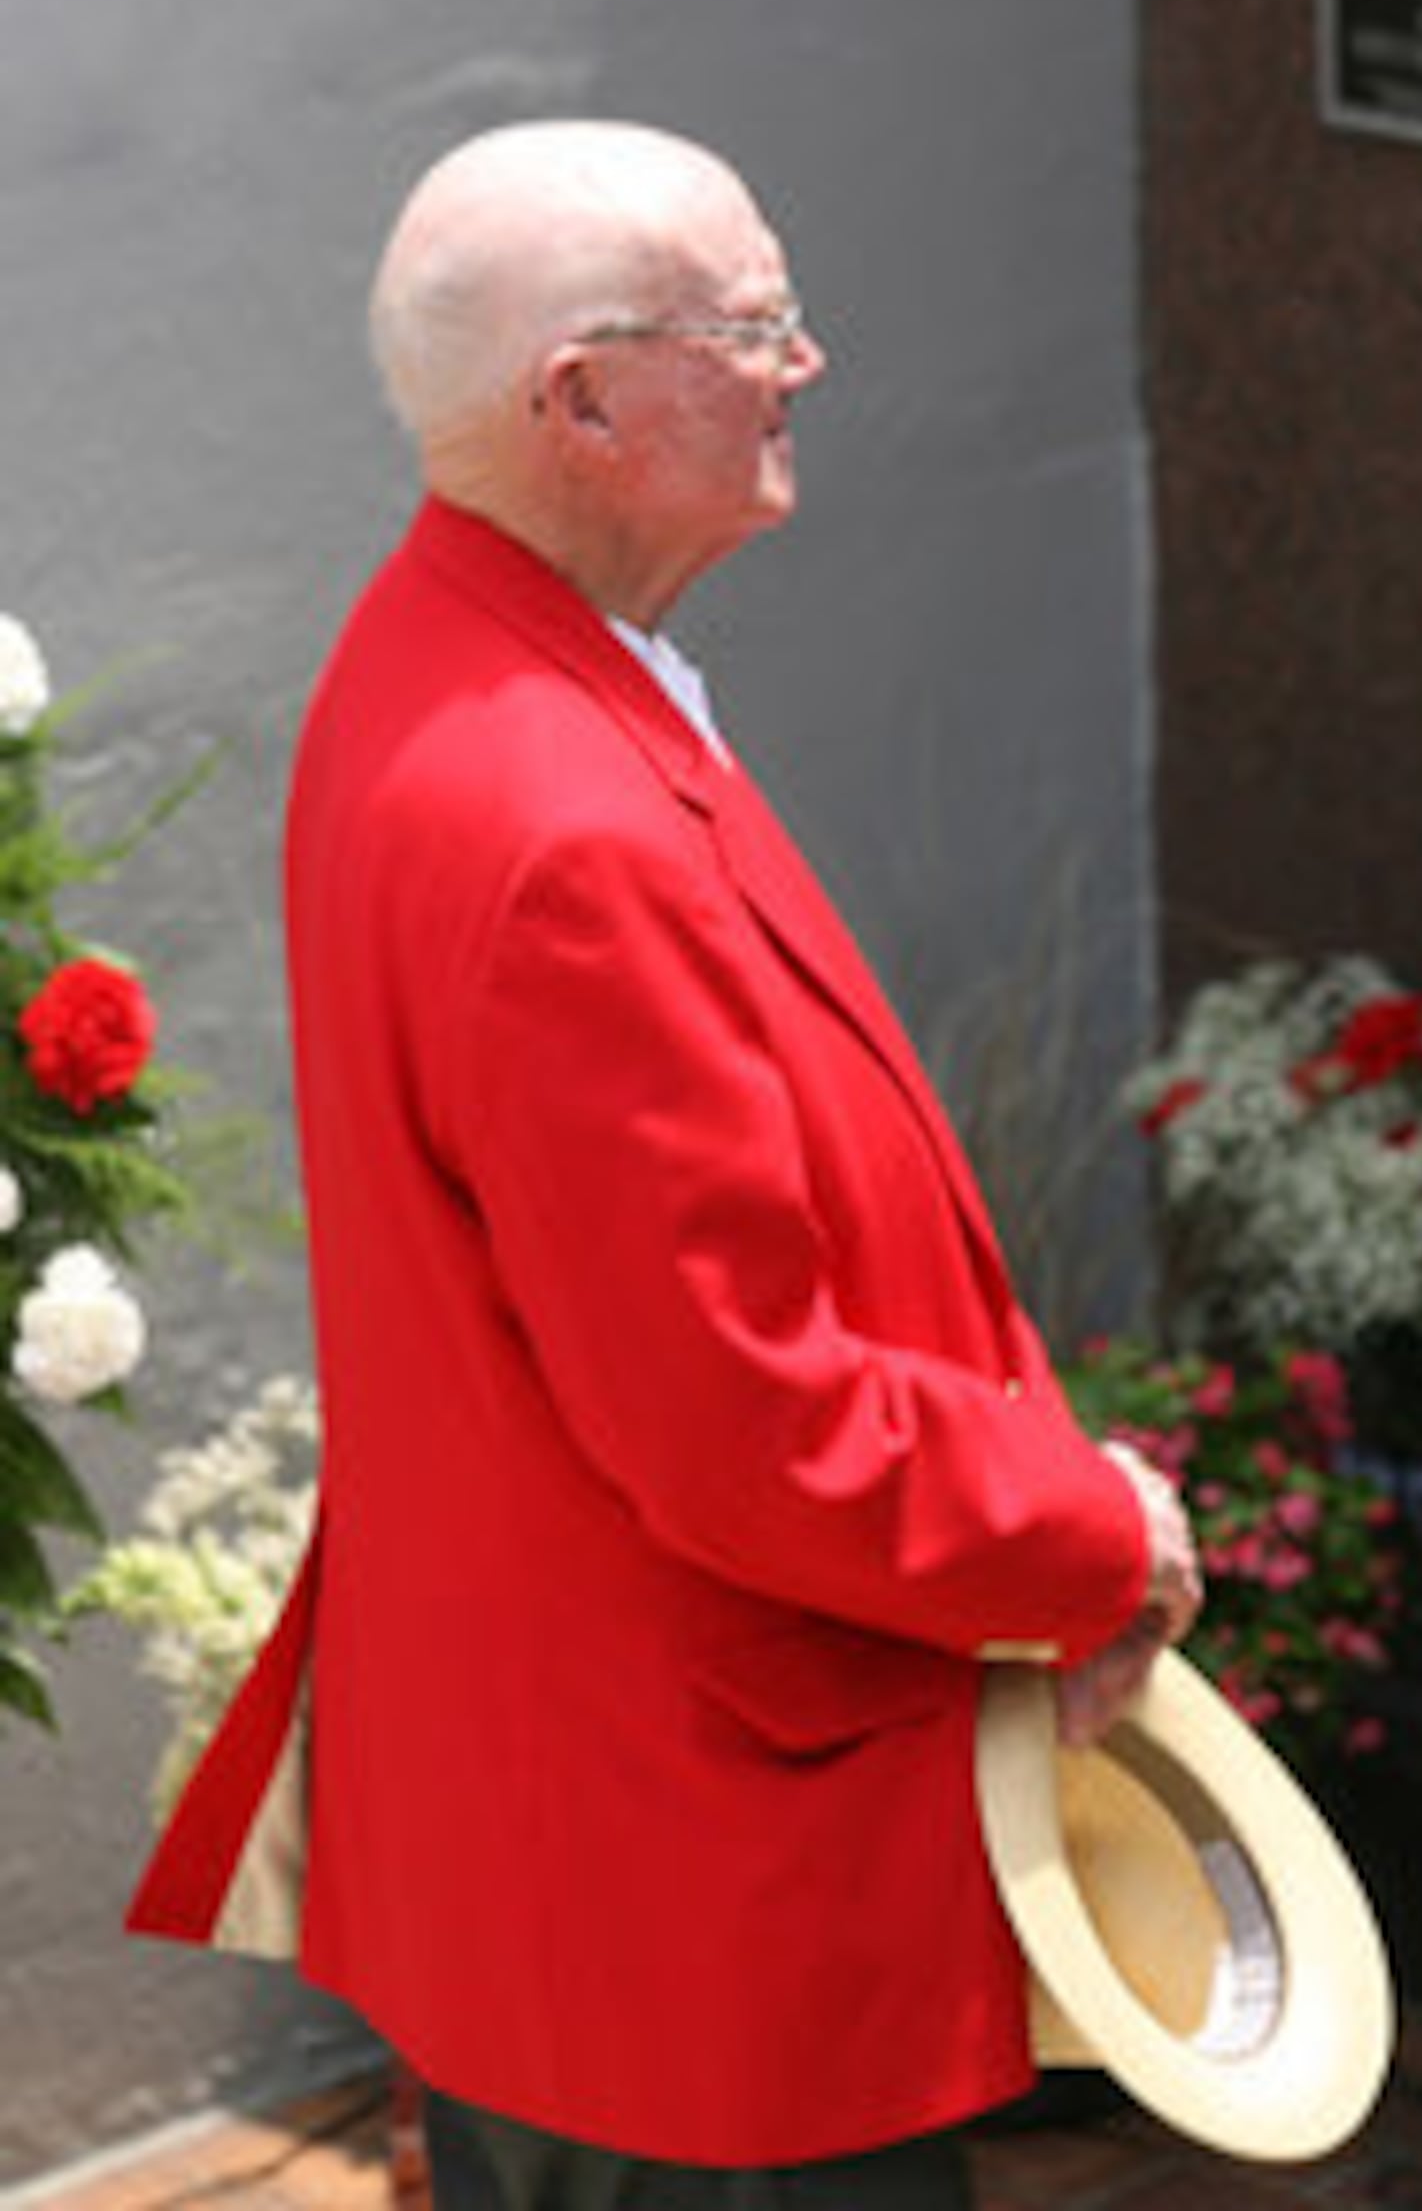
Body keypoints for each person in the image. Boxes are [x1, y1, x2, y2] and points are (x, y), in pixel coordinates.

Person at [128, 121, 1201, 2206]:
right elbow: (737, 1416)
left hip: (560, 1850)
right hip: (703, 1898)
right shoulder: (567, 832)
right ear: (583, 403)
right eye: (752, 325)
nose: (806, 363)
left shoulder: (426, 659)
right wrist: (1087, 1529)